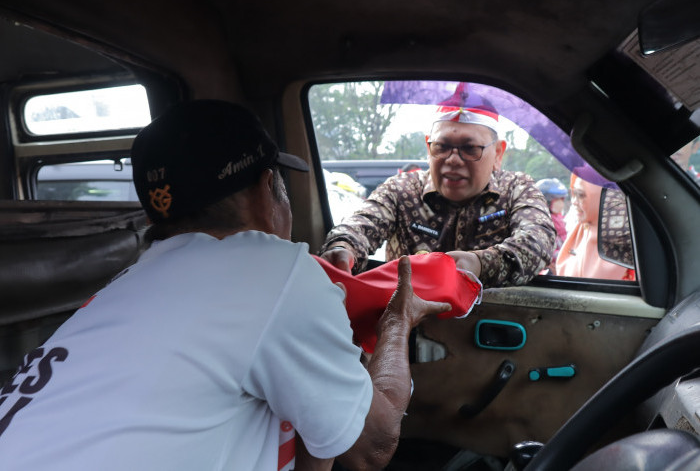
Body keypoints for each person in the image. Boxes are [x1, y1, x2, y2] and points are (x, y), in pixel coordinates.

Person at [0, 100, 451, 471]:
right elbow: (368, 447)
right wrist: (398, 320)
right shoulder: (274, 267)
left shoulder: (127, 282)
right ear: (265, 189)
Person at [319, 106, 556, 288]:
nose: (453, 159)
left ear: (498, 153)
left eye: (470, 148)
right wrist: (343, 248)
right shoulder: (401, 190)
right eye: (441, 147)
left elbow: (539, 242)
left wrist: (479, 264)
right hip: (404, 326)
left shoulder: (517, 189)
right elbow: (360, 225)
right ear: (428, 147)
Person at [556, 174, 634, 280]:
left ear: (601, 198)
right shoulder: (581, 230)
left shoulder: (627, 240)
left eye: (581, 195)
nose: (574, 201)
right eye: (573, 194)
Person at [535, 177, 568, 269]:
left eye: (562, 199)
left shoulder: (560, 220)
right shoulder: (541, 224)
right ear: (547, 202)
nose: (562, 203)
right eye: (558, 200)